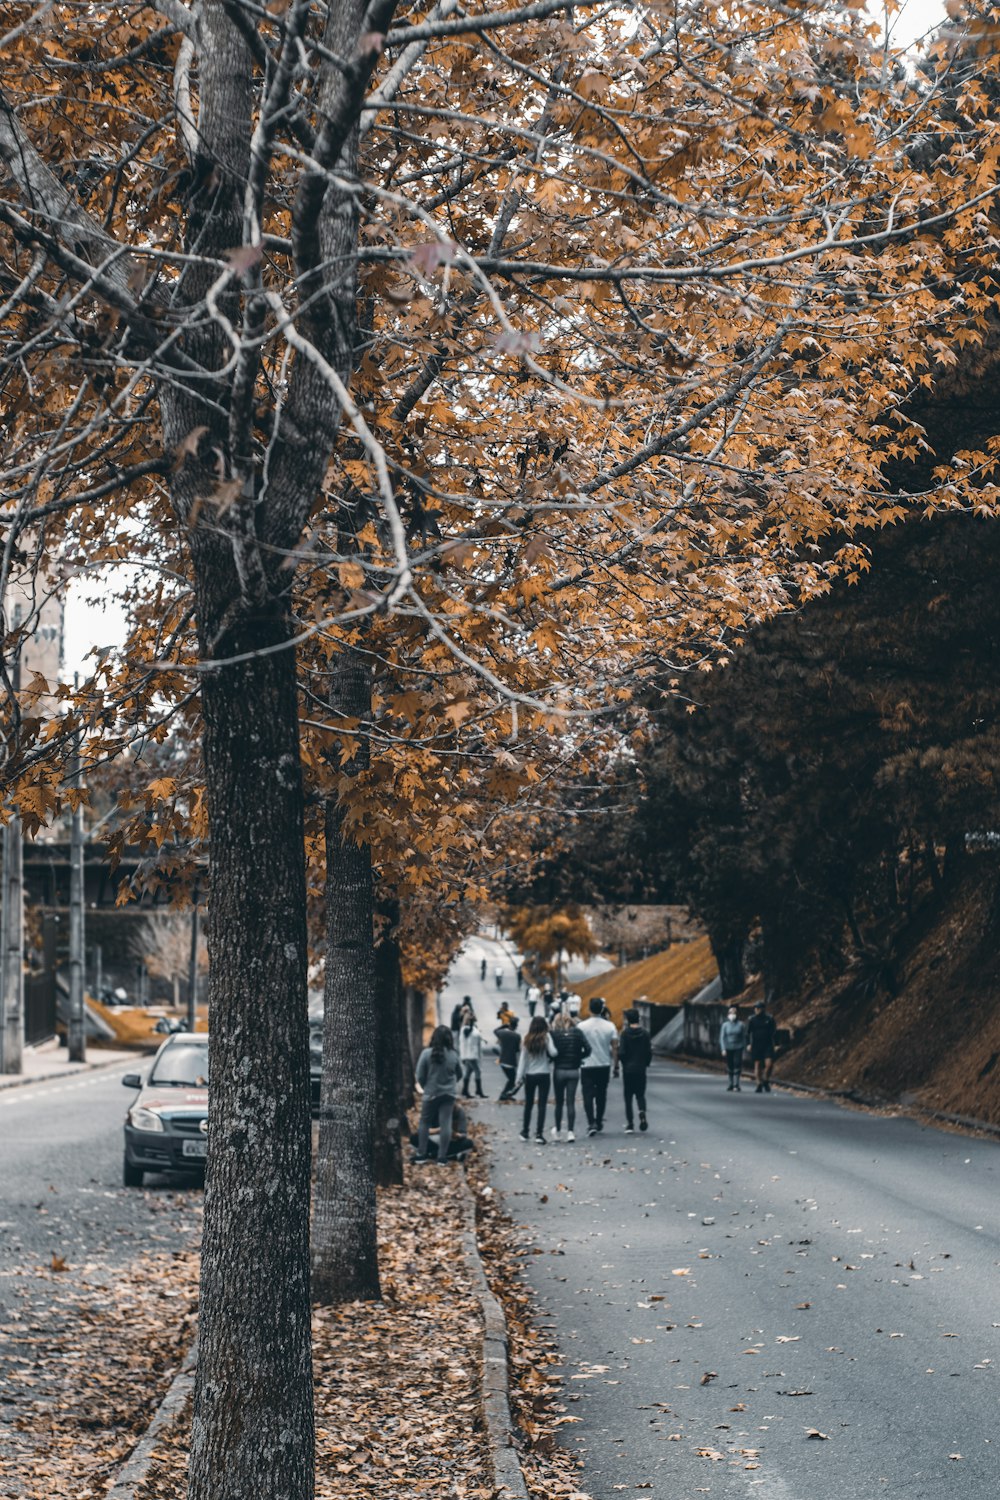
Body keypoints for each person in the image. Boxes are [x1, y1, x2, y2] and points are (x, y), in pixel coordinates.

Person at [415, 1025, 463, 1164]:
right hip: (448, 1094)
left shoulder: (426, 1053)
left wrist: (426, 1087)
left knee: (425, 1122)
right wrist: (450, 1084)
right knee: (446, 1124)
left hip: (430, 1094)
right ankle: (442, 1157)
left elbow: (420, 1075)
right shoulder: (454, 1055)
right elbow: (460, 1074)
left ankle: (421, 1153)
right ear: (449, 1039)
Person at [577, 997, 619, 1136]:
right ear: (602, 1009)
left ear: (589, 1009)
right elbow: (614, 1047)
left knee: (587, 1094)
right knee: (602, 1094)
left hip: (587, 1064)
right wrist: (616, 1066)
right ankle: (599, 1120)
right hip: (603, 1064)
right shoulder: (610, 1026)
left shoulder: (582, 1026)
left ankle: (591, 1122)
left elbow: (578, 1046)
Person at [515, 1016, 557, 1143]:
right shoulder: (546, 1037)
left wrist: (518, 1077)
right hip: (544, 1074)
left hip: (530, 1075)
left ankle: (525, 1131)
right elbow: (554, 1053)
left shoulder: (527, 1039)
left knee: (528, 1104)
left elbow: (523, 1060)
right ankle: (539, 1134)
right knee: (542, 1105)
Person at [550, 1011, 591, 1140]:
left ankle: (557, 1131)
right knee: (570, 1102)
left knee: (559, 1102)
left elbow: (551, 1053)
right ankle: (570, 1132)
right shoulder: (577, 1033)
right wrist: (579, 1058)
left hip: (559, 1071)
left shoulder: (554, 1034)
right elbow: (588, 1049)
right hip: (574, 1070)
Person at [619, 1007, 652, 1133]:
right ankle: (642, 1112)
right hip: (641, 1068)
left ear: (627, 1020)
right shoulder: (645, 1033)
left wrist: (623, 1064)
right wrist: (646, 1063)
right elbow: (649, 1052)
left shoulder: (625, 1034)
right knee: (640, 1094)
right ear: (638, 1018)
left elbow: (621, 1052)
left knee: (628, 1096)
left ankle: (630, 1123)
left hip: (628, 1069)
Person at [747, 999, 777, 1092]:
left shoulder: (769, 1019)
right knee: (758, 1064)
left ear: (763, 1009)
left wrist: (776, 1044)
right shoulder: (752, 1019)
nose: (756, 1010)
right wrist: (748, 1043)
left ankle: (766, 1079)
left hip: (767, 1044)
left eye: (758, 1008)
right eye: (755, 1008)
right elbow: (747, 1033)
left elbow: (774, 1032)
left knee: (769, 1064)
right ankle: (758, 1083)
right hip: (756, 1044)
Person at [459, 1015, 489, 1098]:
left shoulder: (470, 1029)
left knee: (468, 1072)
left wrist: (482, 1039)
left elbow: (476, 1036)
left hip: (471, 1054)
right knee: (478, 1071)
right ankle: (478, 1090)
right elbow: (469, 1036)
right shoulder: (466, 1029)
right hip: (471, 1055)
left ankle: (465, 1090)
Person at [719, 1005, 747, 1091]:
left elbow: (744, 1037)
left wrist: (744, 1047)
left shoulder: (741, 1025)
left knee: (737, 1064)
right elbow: (722, 1037)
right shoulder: (725, 1025)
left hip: (738, 1047)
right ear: (728, 1014)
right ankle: (730, 1083)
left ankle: (736, 1084)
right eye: (731, 1013)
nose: (732, 1014)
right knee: (730, 1065)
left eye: (734, 1013)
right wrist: (723, 1049)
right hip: (728, 1047)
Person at [494, 1014, 521, 1099]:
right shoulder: (517, 1036)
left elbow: (495, 1031)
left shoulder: (502, 1033)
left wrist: (504, 1025)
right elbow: (517, 1049)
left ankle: (506, 1094)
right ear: (516, 1026)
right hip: (511, 1061)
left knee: (511, 1079)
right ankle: (505, 1094)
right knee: (512, 1080)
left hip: (502, 1060)